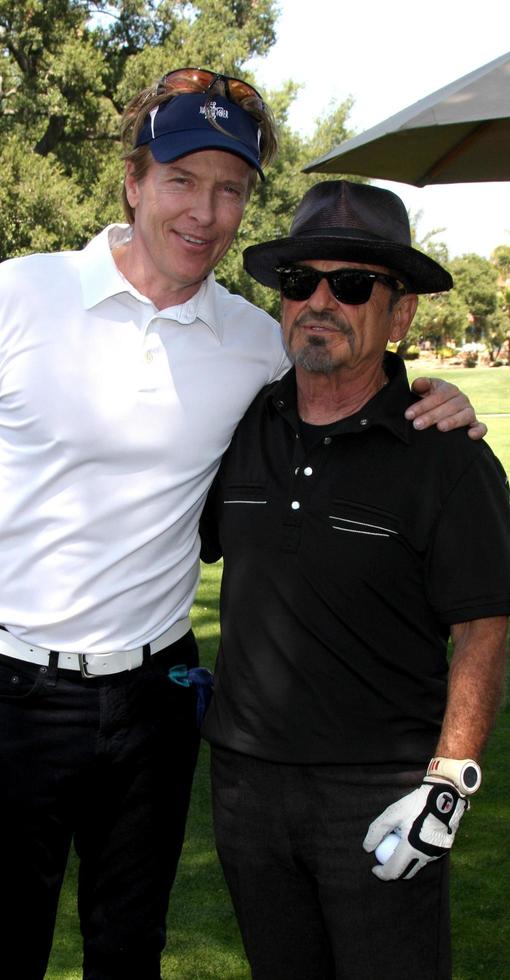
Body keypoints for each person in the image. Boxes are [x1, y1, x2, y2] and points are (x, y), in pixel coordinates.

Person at [0, 65, 480, 980]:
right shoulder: (19, 295)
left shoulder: (256, 339)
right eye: (181, 180)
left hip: (155, 702)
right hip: (10, 688)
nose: (203, 211)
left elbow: (350, 376)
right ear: (133, 181)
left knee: (130, 951)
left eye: (230, 190)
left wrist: (439, 399)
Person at [200, 180, 510, 980]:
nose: (320, 302)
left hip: (381, 793)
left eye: (354, 284)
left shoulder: (448, 456)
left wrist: (447, 787)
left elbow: (483, 627)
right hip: (246, 787)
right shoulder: (242, 427)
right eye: (301, 282)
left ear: (398, 314)